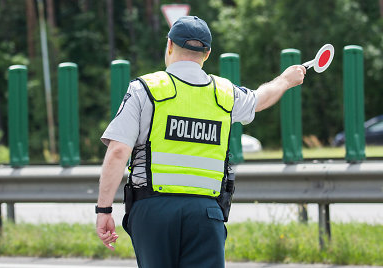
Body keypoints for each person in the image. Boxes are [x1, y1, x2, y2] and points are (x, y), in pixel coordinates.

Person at [96, 16, 305, 268]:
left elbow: (118, 152)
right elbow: (259, 99)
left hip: (153, 211)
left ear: (170, 45)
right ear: (207, 53)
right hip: (206, 213)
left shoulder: (145, 89)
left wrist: (104, 210)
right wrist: (286, 79)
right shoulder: (224, 93)